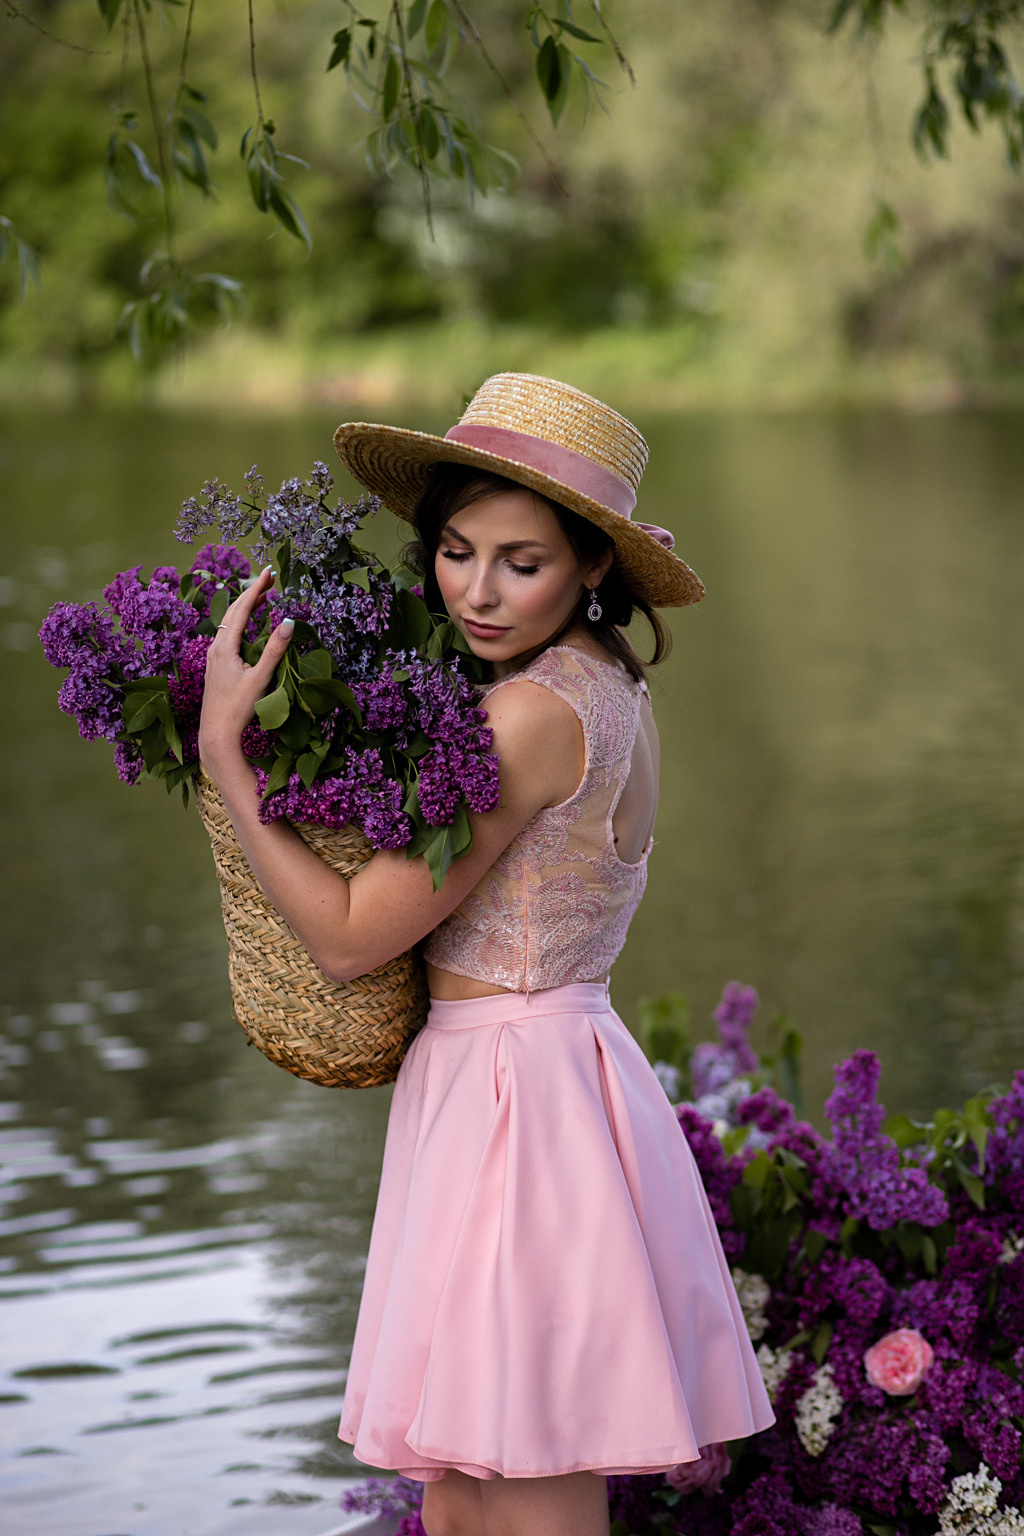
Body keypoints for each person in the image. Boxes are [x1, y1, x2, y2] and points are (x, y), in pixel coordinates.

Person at [198, 373, 774, 1536]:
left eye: (522, 562)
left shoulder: (530, 717)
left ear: (593, 566)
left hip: (519, 1098)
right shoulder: (605, 684)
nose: (475, 590)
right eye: (457, 551)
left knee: (525, 1485)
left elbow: (355, 939)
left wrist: (226, 756)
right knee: (460, 1494)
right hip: (529, 1074)